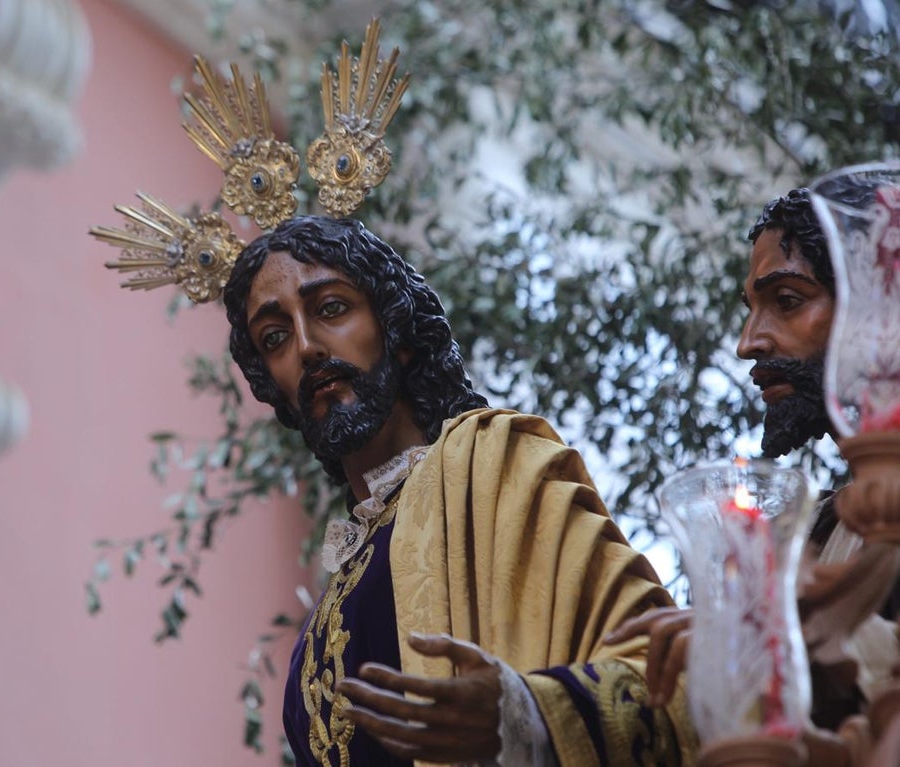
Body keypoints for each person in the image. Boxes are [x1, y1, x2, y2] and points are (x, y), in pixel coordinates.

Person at [221, 215, 696, 766]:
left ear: (395, 329)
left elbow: (666, 677)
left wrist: (526, 715)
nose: (305, 347)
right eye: (274, 338)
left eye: (331, 308)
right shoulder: (329, 606)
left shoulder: (499, 462)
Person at [606, 186, 900, 729]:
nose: (748, 343)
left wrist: (771, 635)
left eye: (787, 300)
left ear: (879, 311)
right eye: (752, 310)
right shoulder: (817, 530)